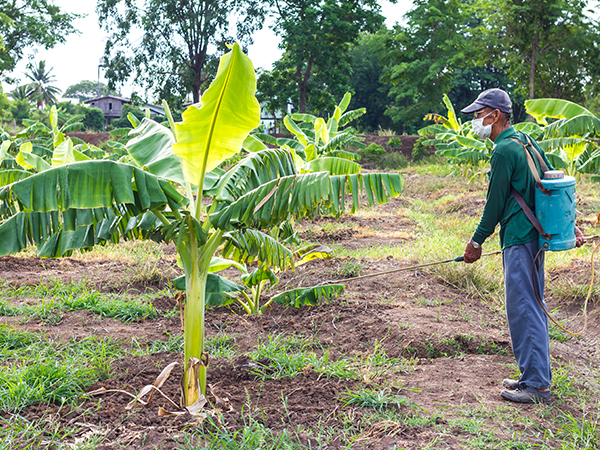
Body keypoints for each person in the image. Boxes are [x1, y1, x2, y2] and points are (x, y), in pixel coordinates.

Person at [461, 88, 585, 404]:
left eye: (479, 114)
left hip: (519, 238)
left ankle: (538, 386)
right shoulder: (526, 141)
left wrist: (476, 241)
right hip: (536, 237)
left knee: (524, 309)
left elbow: (495, 204)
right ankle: (531, 375)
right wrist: (570, 224)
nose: (476, 121)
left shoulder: (503, 150)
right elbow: (551, 181)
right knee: (532, 305)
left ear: (496, 115)